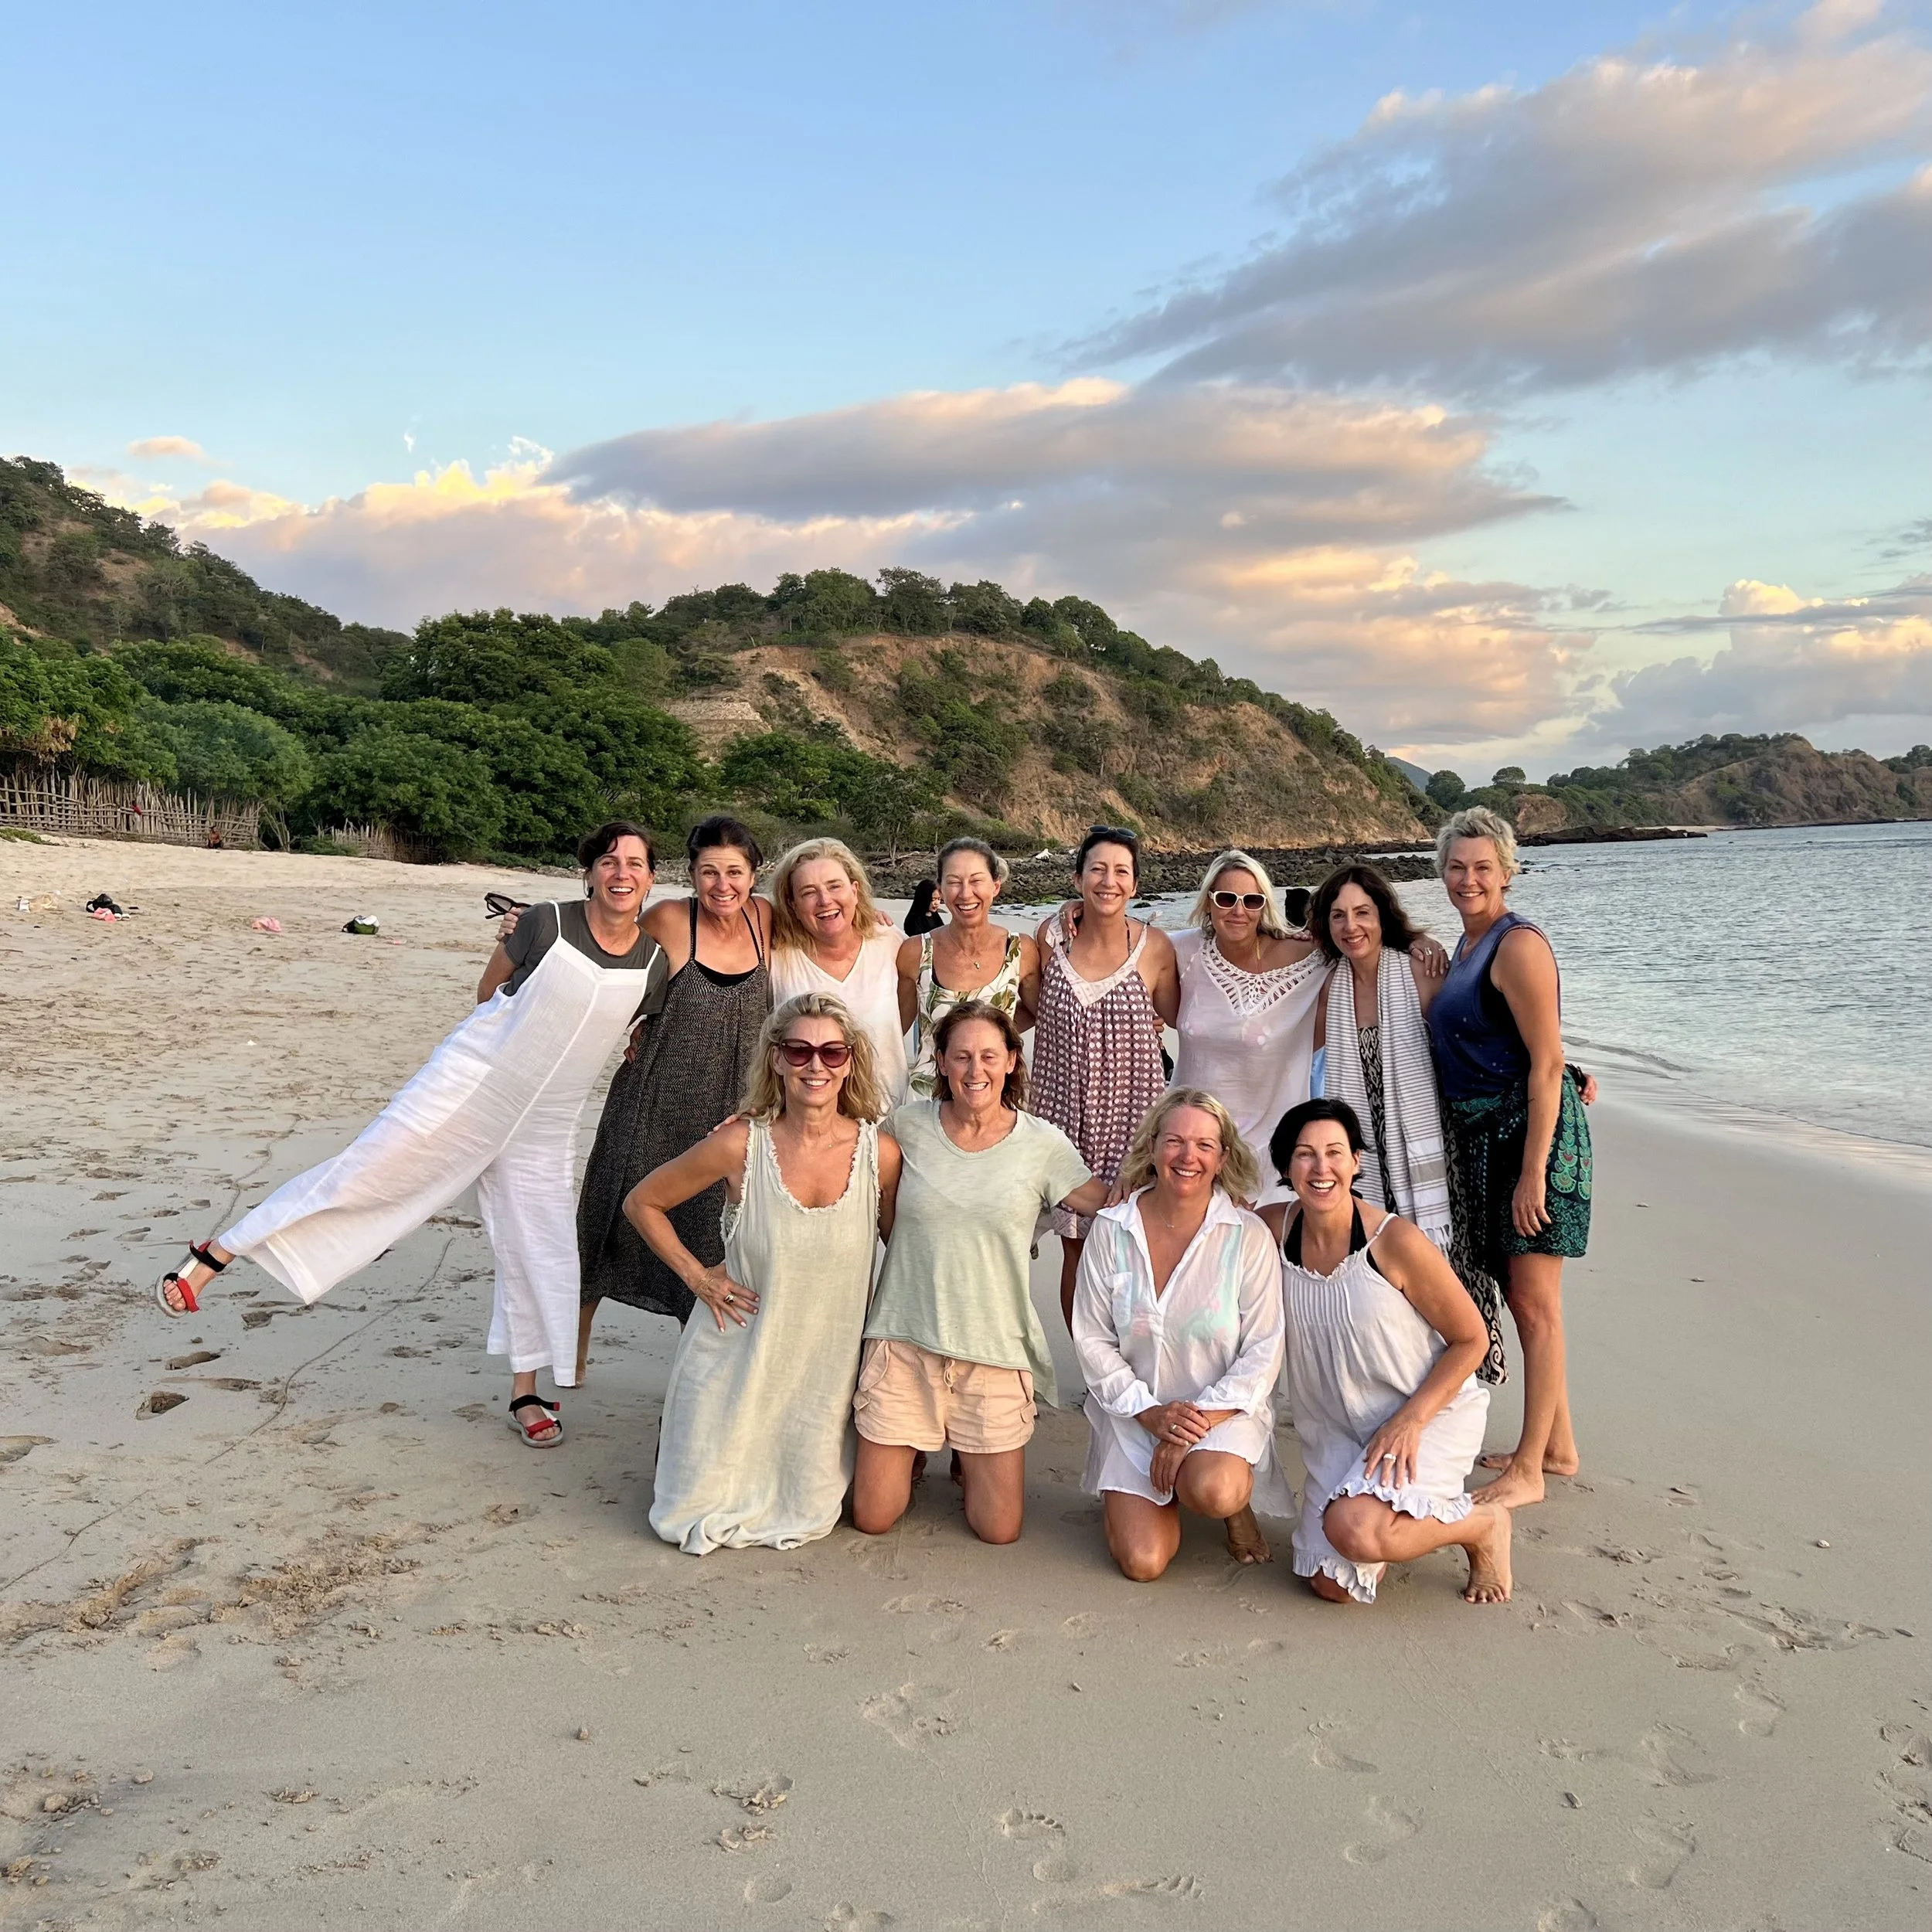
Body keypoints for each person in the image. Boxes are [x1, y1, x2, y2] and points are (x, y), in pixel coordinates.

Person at [152, 823, 670, 1447]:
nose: (622, 873)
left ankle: (527, 1392)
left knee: (541, 1248)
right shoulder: (546, 925)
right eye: (609, 861)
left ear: (649, 878)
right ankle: (218, 1254)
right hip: (471, 1088)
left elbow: (639, 1024)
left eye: (635, 864)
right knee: (365, 1174)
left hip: (547, 1121)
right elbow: (489, 993)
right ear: (589, 872)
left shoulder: (654, 962)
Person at [625, 994, 902, 1554]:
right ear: (776, 1059)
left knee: (810, 1508)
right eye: (798, 1051)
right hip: (735, 1355)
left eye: (831, 1051)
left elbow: (900, 1252)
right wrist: (699, 1278)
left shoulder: (882, 1155)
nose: (815, 1065)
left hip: (821, 1373)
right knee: (687, 1511)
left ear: (850, 1061)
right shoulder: (739, 1145)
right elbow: (642, 1203)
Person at [852, 1002, 1108, 1546]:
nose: (976, 1070)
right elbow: (845, 1168)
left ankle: (963, 1449)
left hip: (993, 1348)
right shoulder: (905, 1127)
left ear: (1013, 1061)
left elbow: (1104, 1205)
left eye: (990, 1056)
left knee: (997, 1529)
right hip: (904, 1340)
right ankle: (916, 1442)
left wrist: (1187, 1181)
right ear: (940, 1063)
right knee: (874, 1516)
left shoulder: (1042, 1143)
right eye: (962, 1056)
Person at [1264, 1099, 1512, 1607]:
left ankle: (1484, 1525)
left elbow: (1473, 1338)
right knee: (1331, 1587)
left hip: (1424, 1417)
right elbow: (1201, 1215)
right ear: (1285, 1167)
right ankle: (1379, 1517)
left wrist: (1413, 1420)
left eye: (1335, 1152)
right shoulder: (1273, 1230)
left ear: (1356, 1161)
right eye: (1305, 1155)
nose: (1321, 1167)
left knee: (1354, 1530)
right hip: (1340, 1430)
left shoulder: (1393, 1241)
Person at [1425, 806, 1593, 1509]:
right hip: (1483, 1141)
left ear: (1507, 871)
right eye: (1457, 867)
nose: (1469, 879)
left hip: (1533, 1140)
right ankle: (1557, 1446)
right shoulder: (1464, 949)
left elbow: (1548, 1061)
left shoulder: (1517, 945)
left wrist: (1532, 1173)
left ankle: (1528, 1470)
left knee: (1534, 1302)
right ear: (1442, 872)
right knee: (1519, 1294)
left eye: (1483, 868)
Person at [573, 815, 772, 1380]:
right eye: (709, 872)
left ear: (754, 875)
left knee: (711, 1233)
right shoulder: (667, 920)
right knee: (606, 1222)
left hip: (728, 1117)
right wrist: (529, 928)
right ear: (692, 874)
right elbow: (608, 961)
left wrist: (875, 917)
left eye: (735, 872)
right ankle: (572, 1354)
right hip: (651, 1104)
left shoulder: (765, 920)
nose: (722, 885)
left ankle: (698, 1365)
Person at [1072, 1090, 1296, 1581]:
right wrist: (1150, 1414)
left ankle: (1233, 1508)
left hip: (1221, 1413)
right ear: (1152, 1148)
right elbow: (1092, 1340)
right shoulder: (1111, 1230)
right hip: (1134, 1413)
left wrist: (1188, 1426)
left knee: (1215, 1489)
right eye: (1173, 1141)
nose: (1187, 1156)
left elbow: (1263, 1350)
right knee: (1143, 1563)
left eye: (1204, 1145)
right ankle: (1153, 1493)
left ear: (1223, 1158)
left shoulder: (1246, 1235)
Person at [1310, 862, 1506, 1384]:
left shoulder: (1418, 969)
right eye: (1338, 916)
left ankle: (1464, 1391)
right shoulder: (1329, 990)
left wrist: (1563, 1069)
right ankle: (1398, 1380)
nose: (1351, 926)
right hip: (1366, 1158)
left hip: (1432, 1152)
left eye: (1363, 913)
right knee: (1381, 1276)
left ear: (1382, 915)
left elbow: (1473, 1041)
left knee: (1448, 1277)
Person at [1032, 825, 1179, 1328]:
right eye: (1097, 869)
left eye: (1121, 871)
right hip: (1062, 1126)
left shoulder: (1156, 948)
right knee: (1076, 1252)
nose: (1108, 880)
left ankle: (1135, 1366)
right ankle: (1095, 1377)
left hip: (1133, 1127)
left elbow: (1190, 1015)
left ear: (1135, 885)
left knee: (1137, 1251)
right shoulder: (1049, 940)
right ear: (1077, 878)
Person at [1169, 849, 1325, 1196]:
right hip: (1192, 1149)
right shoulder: (1183, 950)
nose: (1239, 911)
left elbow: (1365, 940)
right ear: (1208, 902)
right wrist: (1072, 911)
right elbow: (1123, 944)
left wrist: (1418, 941)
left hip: (1269, 1155)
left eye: (1252, 901)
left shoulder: (1309, 958)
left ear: (1264, 906)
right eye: (1226, 899)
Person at [767, 838, 910, 1106]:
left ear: (855, 891)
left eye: (835, 886)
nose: (824, 900)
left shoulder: (890, 944)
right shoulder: (778, 959)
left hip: (886, 1123)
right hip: (805, 1124)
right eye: (809, 892)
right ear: (793, 905)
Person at [896, 836, 1041, 1098]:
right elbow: (893, 1031)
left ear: (995, 886)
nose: (965, 893)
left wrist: (992, 1032)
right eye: (954, 882)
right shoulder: (916, 951)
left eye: (976, 881)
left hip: (995, 1097)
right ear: (940, 888)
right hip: (928, 1100)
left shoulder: (1021, 950)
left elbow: (1043, 1013)